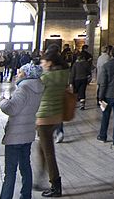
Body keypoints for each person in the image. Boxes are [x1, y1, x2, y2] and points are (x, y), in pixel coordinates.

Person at [0, 63, 44, 199]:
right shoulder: (38, 87)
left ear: (26, 74)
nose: (17, 74)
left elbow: (11, 109)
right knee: (25, 166)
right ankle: (26, 195)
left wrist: (3, 102)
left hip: (16, 134)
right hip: (28, 131)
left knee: (10, 171)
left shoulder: (23, 89)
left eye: (20, 72)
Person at [35, 48, 68, 197]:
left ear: (49, 63)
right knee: (42, 148)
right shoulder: (63, 74)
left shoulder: (46, 78)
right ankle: (40, 177)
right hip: (56, 114)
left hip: (44, 116)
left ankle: (55, 184)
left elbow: (34, 90)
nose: (41, 64)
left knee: (48, 152)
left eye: (43, 61)